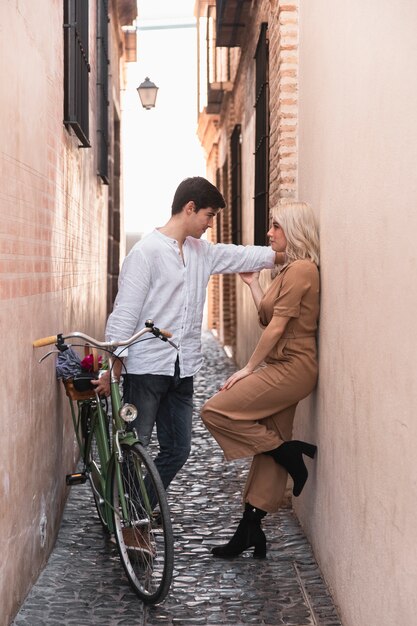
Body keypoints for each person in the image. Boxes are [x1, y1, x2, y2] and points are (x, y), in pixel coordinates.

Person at [93, 176, 285, 496]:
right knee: (132, 448)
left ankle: (139, 507)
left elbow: (242, 256)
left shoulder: (201, 253)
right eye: (209, 216)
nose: (211, 224)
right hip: (146, 371)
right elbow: (125, 314)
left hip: (184, 370)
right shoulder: (146, 253)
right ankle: (128, 525)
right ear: (190, 208)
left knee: (178, 450)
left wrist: (287, 253)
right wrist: (113, 367)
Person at [201, 199, 320, 559]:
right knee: (269, 449)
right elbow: (270, 319)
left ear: (294, 229)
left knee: (215, 410)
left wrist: (249, 368)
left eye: (276, 226)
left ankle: (289, 453)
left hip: (294, 367)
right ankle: (249, 531)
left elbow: (278, 329)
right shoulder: (288, 272)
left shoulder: (302, 271)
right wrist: (253, 285)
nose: (269, 233)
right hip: (285, 365)